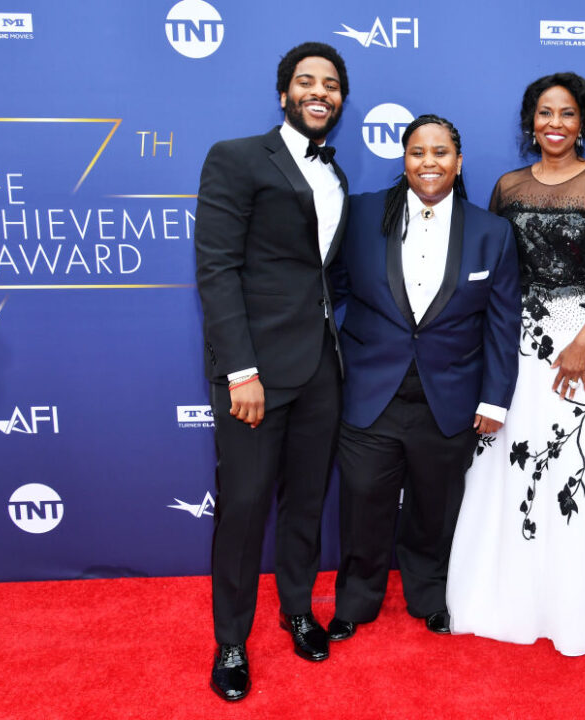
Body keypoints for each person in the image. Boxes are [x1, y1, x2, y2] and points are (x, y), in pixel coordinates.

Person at [446, 73, 585, 657]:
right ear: (530, 122)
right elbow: (495, 273)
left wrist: (584, 342)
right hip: (519, 345)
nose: (554, 124)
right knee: (513, 465)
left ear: (584, 123)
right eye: (544, 113)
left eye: (567, 114)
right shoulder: (508, 187)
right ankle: (514, 595)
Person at [325, 115, 521, 641]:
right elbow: (331, 289)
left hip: (451, 395)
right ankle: (355, 601)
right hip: (370, 391)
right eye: (417, 152)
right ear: (404, 159)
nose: (428, 162)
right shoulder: (363, 214)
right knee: (363, 502)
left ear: (458, 163)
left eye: (440, 153)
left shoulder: (492, 232)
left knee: (434, 509)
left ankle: (429, 594)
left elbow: (503, 325)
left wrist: (495, 399)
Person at [194, 42, 349, 702]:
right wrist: (240, 371)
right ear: (283, 93)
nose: (321, 91)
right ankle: (231, 639)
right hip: (255, 374)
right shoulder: (235, 158)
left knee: (306, 503)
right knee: (245, 506)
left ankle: (296, 610)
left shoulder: (335, 176)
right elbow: (218, 270)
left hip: (320, 367)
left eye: (332, 84)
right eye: (307, 81)